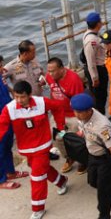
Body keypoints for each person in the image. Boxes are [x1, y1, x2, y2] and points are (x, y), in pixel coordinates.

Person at [0, 81, 67, 219]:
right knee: (42, 169)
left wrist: (61, 127)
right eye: (16, 97)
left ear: (29, 95)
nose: (19, 100)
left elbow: (58, 107)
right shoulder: (9, 108)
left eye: (22, 97)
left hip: (42, 147)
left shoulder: (42, 102)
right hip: (26, 149)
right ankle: (61, 181)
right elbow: (1, 126)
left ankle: (38, 208)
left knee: (37, 177)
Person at [70, 94, 111, 219]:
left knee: (103, 191)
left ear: (89, 110)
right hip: (92, 155)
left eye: (80, 112)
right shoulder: (84, 117)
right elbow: (85, 129)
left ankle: (104, 214)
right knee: (92, 181)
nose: (77, 115)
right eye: (75, 111)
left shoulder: (102, 126)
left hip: (104, 159)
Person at [45, 57, 86, 174]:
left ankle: (82, 160)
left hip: (72, 115)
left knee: (76, 140)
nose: (50, 74)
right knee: (58, 138)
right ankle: (69, 157)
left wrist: (80, 119)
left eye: (53, 71)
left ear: (62, 69)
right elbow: (51, 91)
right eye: (49, 71)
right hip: (58, 115)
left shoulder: (73, 80)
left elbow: (79, 100)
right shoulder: (49, 77)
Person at [0, 73, 26, 190]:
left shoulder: (1, 77)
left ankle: (10, 171)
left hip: (7, 114)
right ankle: (1, 180)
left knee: (7, 146)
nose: (2, 68)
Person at [81, 14, 109, 113]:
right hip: (98, 69)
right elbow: (91, 61)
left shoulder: (90, 34)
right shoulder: (91, 40)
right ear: (98, 24)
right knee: (99, 98)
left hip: (98, 68)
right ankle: (100, 116)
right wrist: (95, 78)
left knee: (101, 96)